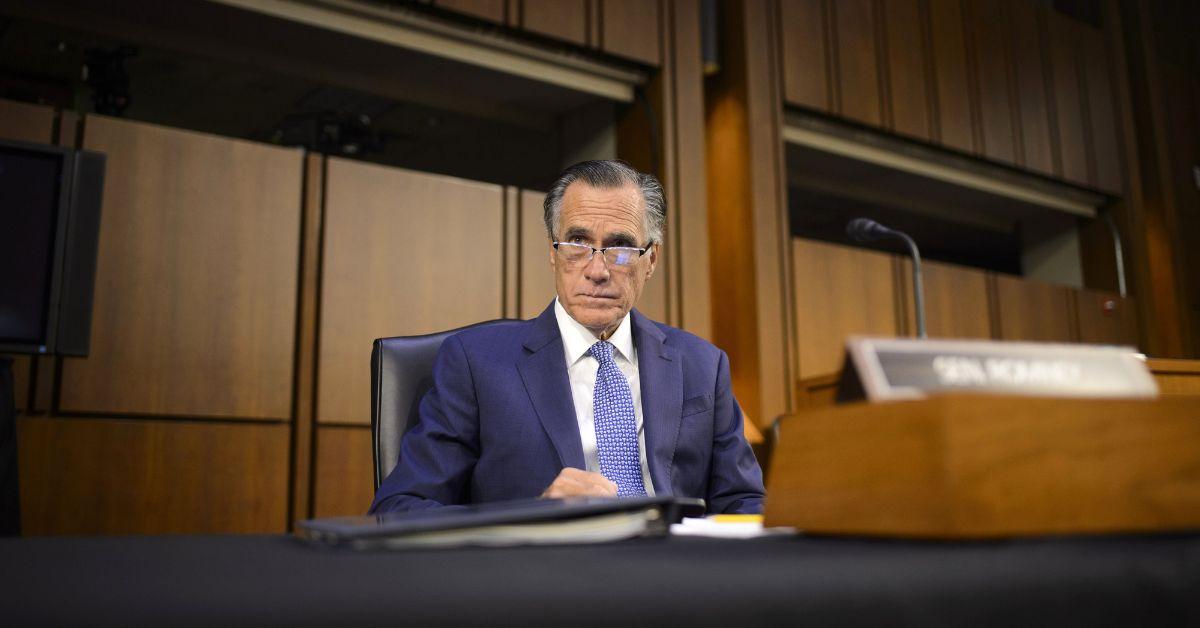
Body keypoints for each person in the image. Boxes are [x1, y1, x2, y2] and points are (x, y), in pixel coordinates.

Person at [370, 160, 764, 514]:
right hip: (547, 579)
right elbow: (399, 508)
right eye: (577, 244)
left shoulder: (703, 365)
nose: (597, 270)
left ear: (651, 260)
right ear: (553, 254)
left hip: (678, 578)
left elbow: (745, 502)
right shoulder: (475, 363)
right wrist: (535, 517)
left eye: (621, 247)